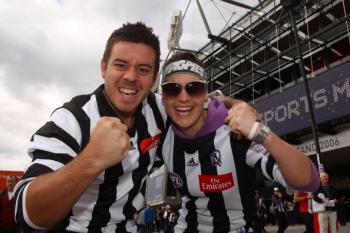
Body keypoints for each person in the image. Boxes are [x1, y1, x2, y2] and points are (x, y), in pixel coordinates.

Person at [13, 22, 168, 233]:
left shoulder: (160, 109)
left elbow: (203, 106)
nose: (131, 77)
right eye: (120, 65)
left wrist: (230, 106)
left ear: (154, 78)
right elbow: (27, 214)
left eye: (143, 69)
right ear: (104, 68)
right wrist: (92, 158)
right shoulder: (72, 119)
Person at [156, 52, 320, 233]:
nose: (183, 98)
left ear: (204, 95)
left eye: (194, 88)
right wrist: (228, 100)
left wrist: (261, 133)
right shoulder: (162, 132)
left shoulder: (236, 133)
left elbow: (309, 181)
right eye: (172, 89)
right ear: (163, 97)